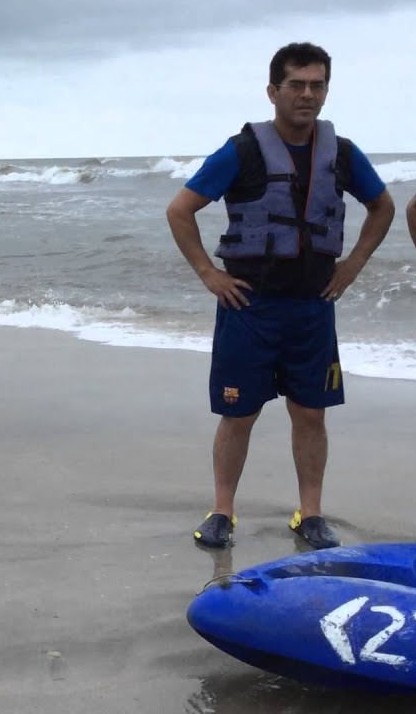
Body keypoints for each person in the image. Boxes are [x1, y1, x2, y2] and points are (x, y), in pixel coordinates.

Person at [166, 42, 394, 550]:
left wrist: (353, 265)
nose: (307, 95)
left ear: (326, 90)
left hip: (312, 307)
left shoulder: (343, 155)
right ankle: (222, 512)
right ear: (274, 91)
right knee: (239, 413)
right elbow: (179, 211)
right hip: (248, 305)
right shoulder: (242, 151)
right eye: (297, 84)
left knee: (311, 413)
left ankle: (309, 514)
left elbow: (383, 206)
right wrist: (208, 273)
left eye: (317, 85)